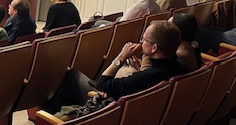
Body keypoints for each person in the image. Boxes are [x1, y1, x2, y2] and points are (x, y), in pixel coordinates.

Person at [52, 21, 186, 113]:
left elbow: (102, 84)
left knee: (72, 75)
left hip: (111, 110)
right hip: (144, 116)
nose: (140, 42)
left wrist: (121, 57)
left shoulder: (146, 77)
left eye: (145, 40)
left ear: (154, 48)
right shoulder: (181, 66)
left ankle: (58, 115)